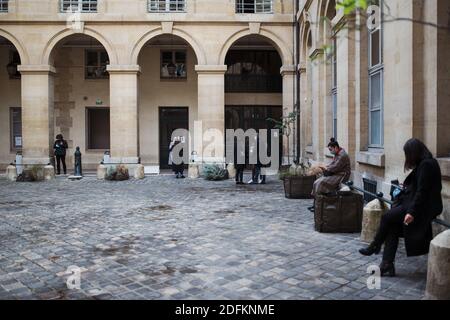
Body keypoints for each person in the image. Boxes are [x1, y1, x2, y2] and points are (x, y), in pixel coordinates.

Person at [359, 138, 443, 277]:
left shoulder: (427, 165)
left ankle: (375, 245)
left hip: (421, 208)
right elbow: (418, 188)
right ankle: (386, 264)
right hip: (414, 204)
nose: (407, 158)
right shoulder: (425, 164)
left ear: (414, 152)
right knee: (392, 227)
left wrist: (411, 212)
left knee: (386, 217)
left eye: (408, 154)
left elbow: (422, 192)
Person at [309, 138, 351, 211]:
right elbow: (332, 165)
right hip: (336, 173)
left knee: (320, 183)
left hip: (341, 175)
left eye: (331, 150)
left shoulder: (342, 155)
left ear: (336, 147)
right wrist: (324, 167)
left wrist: (324, 168)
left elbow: (335, 167)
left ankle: (318, 206)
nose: (330, 151)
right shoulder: (337, 153)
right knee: (316, 182)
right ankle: (316, 204)